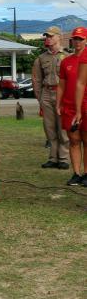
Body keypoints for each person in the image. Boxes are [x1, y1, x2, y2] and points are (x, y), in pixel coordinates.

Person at [33, 26, 69, 170]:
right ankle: (53, 158)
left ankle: (63, 158)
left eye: (51, 36)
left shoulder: (67, 57)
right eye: (46, 36)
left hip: (63, 94)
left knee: (63, 128)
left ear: (59, 37)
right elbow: (36, 80)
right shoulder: (41, 58)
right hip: (47, 94)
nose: (48, 38)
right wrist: (40, 98)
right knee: (49, 128)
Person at [57, 27, 87, 186]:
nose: (77, 41)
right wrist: (58, 103)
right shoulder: (66, 61)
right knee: (74, 140)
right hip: (69, 105)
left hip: (85, 104)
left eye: (80, 39)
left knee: (86, 139)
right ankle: (76, 173)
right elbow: (61, 85)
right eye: (75, 38)